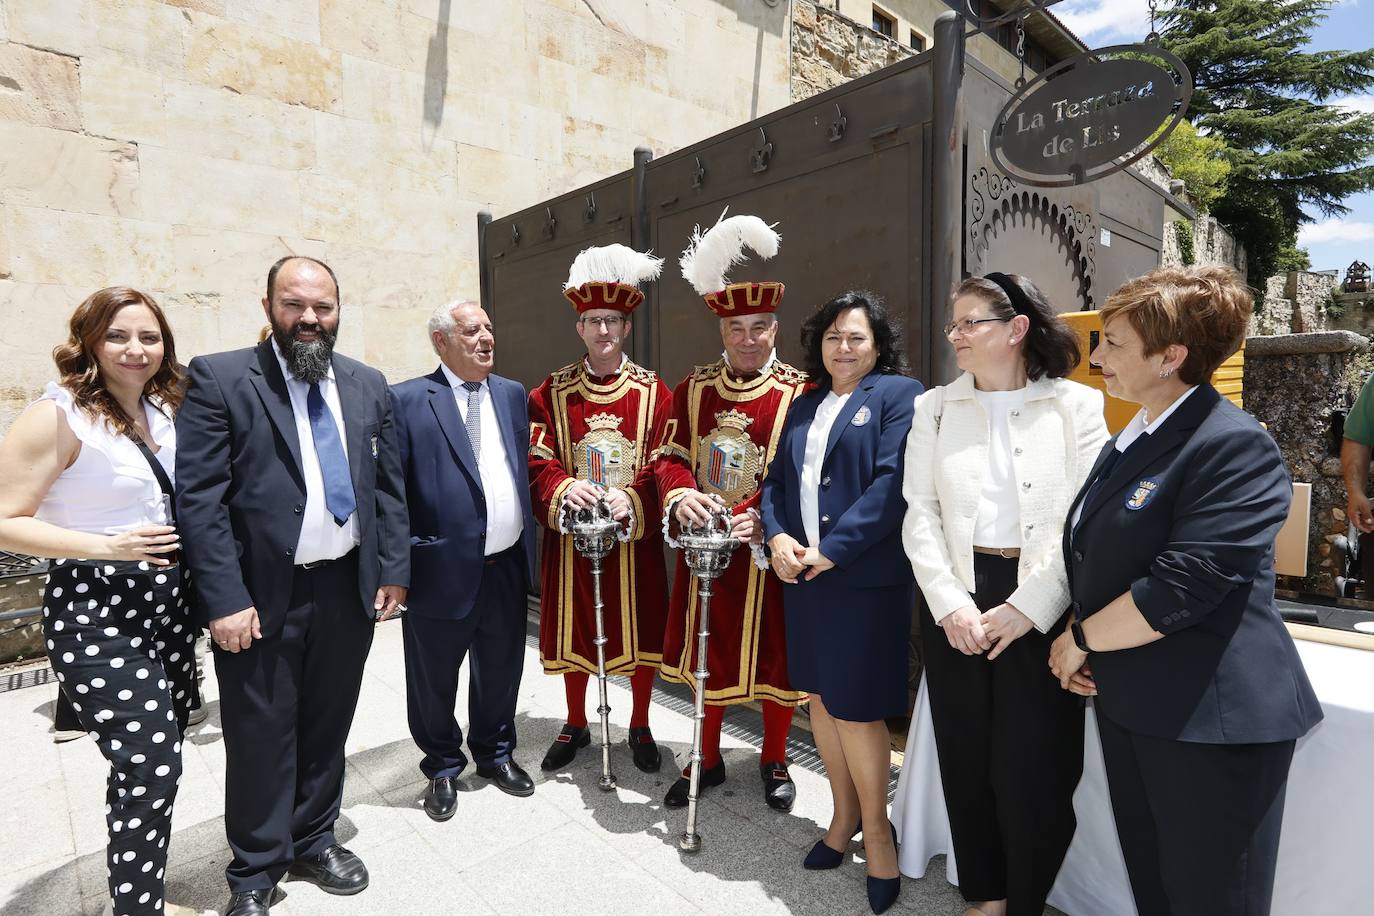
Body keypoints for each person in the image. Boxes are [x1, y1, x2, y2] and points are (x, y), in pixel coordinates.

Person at [1050, 266, 1323, 916]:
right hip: (1138, 705)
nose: (1097, 356)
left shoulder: (1233, 445)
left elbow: (1184, 584)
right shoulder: (1135, 435)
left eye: (1113, 342)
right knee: (1159, 893)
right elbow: (1099, 553)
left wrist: (1080, 638)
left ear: (1170, 357)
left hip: (1209, 724)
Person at [175, 257, 409, 916]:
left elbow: (387, 487)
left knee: (327, 724)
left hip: (346, 589)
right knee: (259, 733)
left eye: (323, 307)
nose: (310, 319)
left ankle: (313, 838)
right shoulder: (221, 378)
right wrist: (222, 597)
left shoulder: (367, 383)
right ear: (269, 305)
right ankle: (254, 868)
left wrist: (393, 570)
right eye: (295, 305)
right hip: (258, 597)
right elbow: (200, 500)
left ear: (338, 310)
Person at [901, 273, 1108, 916]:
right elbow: (919, 512)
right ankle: (983, 896)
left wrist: (1030, 607)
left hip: (1040, 600)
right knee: (966, 758)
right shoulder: (934, 407)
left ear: (1016, 329)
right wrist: (950, 603)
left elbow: (1086, 518)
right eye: (953, 324)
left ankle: (1025, 901)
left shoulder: (1076, 407)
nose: (954, 335)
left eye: (970, 323)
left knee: (1035, 768)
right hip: (955, 598)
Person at [0, 287, 198, 916]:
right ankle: (137, 907)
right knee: (151, 761)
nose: (135, 349)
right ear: (87, 342)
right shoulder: (56, 414)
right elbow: (4, 520)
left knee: (149, 763)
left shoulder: (167, 407)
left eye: (149, 336)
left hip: (169, 606)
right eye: (117, 336)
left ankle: (137, 892)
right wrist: (103, 547)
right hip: (95, 609)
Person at [760, 290, 923, 914]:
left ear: (877, 344)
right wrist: (775, 535)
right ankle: (843, 814)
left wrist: (832, 550)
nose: (843, 347)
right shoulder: (803, 406)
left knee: (857, 708)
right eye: (832, 336)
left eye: (856, 336)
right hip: (802, 578)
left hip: (859, 580)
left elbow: (893, 486)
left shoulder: (899, 397)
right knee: (821, 701)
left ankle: (877, 832)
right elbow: (775, 483)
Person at [653, 213, 808, 811]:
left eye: (759, 326)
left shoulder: (800, 392)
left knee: (777, 653)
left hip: (769, 549)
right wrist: (679, 492)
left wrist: (760, 516)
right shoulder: (692, 390)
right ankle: (707, 756)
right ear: (722, 331)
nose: (747, 338)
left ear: (775, 329)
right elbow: (665, 454)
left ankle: (774, 757)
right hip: (705, 550)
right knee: (707, 649)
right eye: (736, 327)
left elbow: (799, 476)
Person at [390, 299, 538, 822]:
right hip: (438, 572)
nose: (485, 338)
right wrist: (395, 572)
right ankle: (442, 766)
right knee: (433, 678)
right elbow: (392, 492)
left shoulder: (512, 394)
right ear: (441, 341)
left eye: (489, 329)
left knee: (500, 669)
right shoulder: (407, 399)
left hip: (504, 565)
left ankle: (496, 755)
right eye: (471, 331)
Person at [528, 245, 672, 774]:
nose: (604, 330)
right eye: (593, 321)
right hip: (573, 538)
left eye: (613, 320)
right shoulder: (552, 391)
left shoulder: (657, 391)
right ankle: (575, 723)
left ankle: (639, 722)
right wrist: (564, 489)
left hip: (633, 538)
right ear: (580, 328)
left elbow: (665, 460)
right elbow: (537, 457)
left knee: (639, 630)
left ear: (627, 328)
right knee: (577, 629)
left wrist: (632, 496)